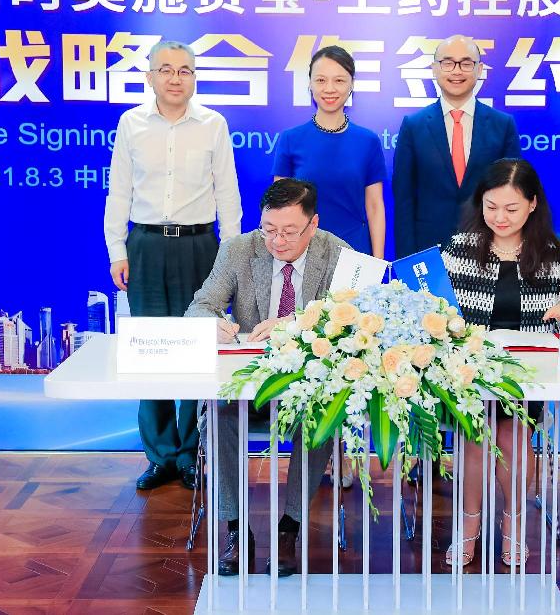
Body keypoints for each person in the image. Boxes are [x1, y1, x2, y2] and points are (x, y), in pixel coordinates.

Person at [184, 178, 350, 577]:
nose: (277, 241)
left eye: (289, 232)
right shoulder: (238, 250)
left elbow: (353, 321)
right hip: (248, 388)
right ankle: (236, 528)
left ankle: (290, 527)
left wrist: (295, 325)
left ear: (313, 224)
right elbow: (199, 306)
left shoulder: (337, 254)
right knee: (219, 413)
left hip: (307, 387)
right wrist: (211, 324)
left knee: (322, 416)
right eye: (269, 229)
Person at [103, 40, 242, 492]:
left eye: (185, 70)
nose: (175, 78)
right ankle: (159, 456)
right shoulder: (131, 124)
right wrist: (117, 250)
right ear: (150, 77)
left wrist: (232, 255)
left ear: (194, 78)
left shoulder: (213, 124)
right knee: (150, 351)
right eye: (165, 69)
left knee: (197, 351)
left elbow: (228, 193)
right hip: (145, 245)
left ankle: (190, 455)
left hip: (199, 246)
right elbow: (119, 191)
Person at [441, 158, 560, 567]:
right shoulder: (459, 249)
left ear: (532, 205)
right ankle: (467, 526)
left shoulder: (553, 253)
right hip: (469, 372)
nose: (500, 217)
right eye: (491, 207)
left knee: (514, 437)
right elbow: (435, 311)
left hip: (526, 375)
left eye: (511, 208)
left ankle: (513, 524)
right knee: (474, 436)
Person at [393, 34, 522, 258]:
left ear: (479, 70)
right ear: (434, 69)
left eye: (466, 63)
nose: (456, 71)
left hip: (488, 250)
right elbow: (404, 199)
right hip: (429, 251)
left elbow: (514, 195)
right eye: (448, 63)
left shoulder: (502, 125)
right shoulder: (413, 126)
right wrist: (408, 260)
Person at [273, 45, 386, 257]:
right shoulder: (290, 139)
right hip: (303, 253)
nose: (330, 88)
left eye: (339, 80)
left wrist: (378, 262)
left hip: (354, 252)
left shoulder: (368, 141)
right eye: (321, 80)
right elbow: (279, 208)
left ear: (352, 84)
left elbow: (374, 206)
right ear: (310, 84)